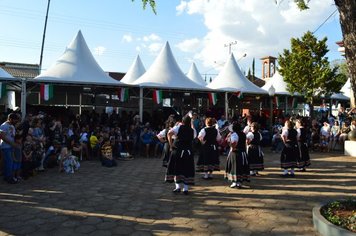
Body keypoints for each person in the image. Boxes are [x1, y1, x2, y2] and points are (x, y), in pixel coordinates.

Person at [165, 115, 196, 195]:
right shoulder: (192, 130)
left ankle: (178, 187)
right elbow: (194, 137)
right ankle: (185, 189)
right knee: (187, 169)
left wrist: (171, 145)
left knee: (176, 168)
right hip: (188, 152)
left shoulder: (178, 127)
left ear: (182, 121)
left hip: (178, 151)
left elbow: (169, 134)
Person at [225, 123, 249, 188]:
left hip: (236, 153)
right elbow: (247, 141)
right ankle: (239, 182)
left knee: (235, 167)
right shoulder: (243, 134)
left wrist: (232, 147)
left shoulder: (234, 134)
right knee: (241, 167)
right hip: (243, 153)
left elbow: (233, 143)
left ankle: (235, 182)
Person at [0, 113, 21, 184]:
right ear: (10, 119)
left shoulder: (12, 126)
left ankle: (8, 176)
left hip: (11, 146)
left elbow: (12, 135)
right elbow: (2, 137)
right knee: (9, 162)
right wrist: (12, 143)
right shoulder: (3, 126)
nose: (16, 121)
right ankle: (8, 177)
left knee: (10, 162)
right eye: (14, 120)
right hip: (6, 147)